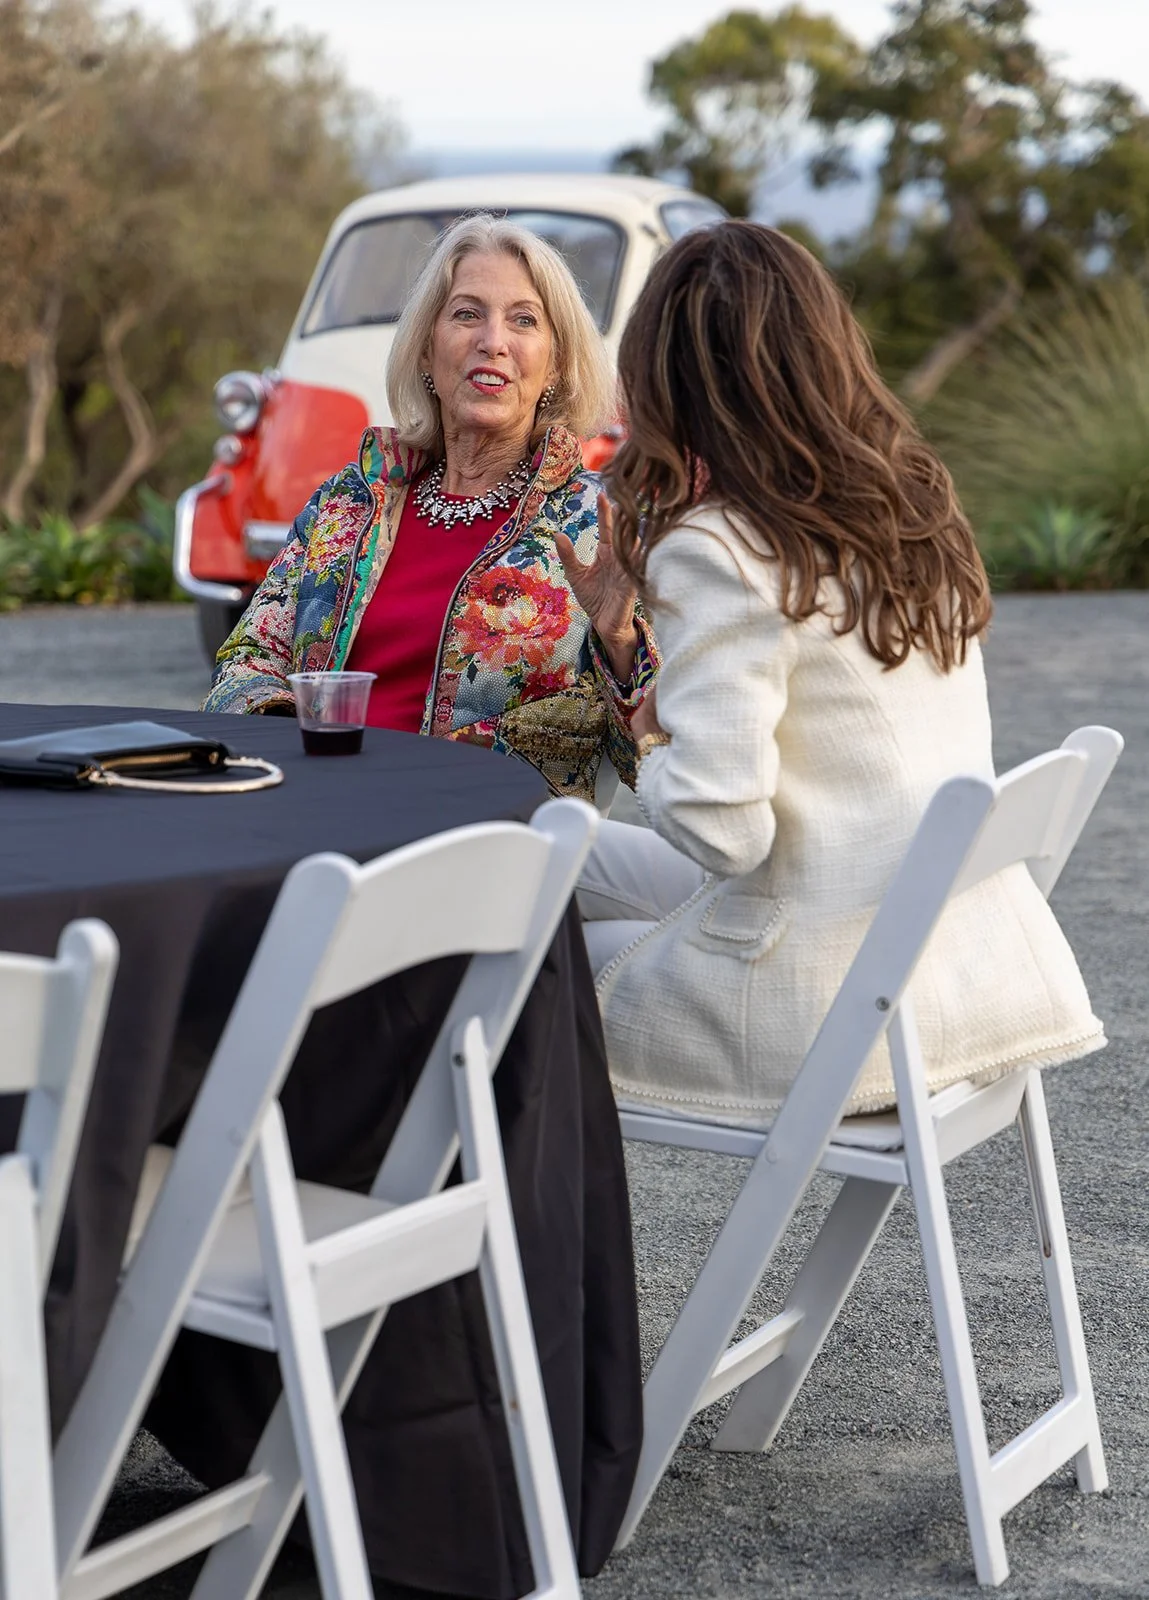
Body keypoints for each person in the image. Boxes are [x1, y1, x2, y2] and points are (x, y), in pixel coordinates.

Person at [578, 220, 1104, 1121]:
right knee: (547, 854)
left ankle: (511, 1255)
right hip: (939, 968)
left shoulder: (720, 548)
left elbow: (720, 828)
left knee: (504, 969)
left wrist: (652, 730)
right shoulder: (911, 510)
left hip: (814, 1006)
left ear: (668, 377)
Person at [204, 214, 657, 801]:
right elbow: (244, 661)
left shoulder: (598, 522)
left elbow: (651, 761)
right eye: (467, 313)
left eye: (524, 320)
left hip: (480, 842)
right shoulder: (352, 500)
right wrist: (304, 747)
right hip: (314, 808)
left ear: (557, 365)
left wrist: (619, 640)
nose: (493, 340)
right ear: (425, 350)